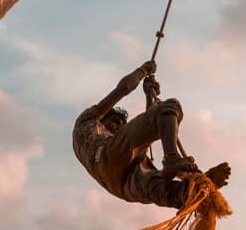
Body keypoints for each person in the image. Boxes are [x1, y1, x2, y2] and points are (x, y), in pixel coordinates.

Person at [72, 60, 231, 210]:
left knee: (157, 188)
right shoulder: (88, 120)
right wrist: (142, 70)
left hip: (120, 184)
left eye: (122, 125)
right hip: (106, 159)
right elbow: (124, 88)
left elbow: (147, 131)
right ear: (103, 120)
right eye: (115, 122)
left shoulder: (121, 146)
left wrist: (149, 95)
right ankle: (171, 157)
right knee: (170, 107)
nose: (120, 127)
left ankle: (193, 192)